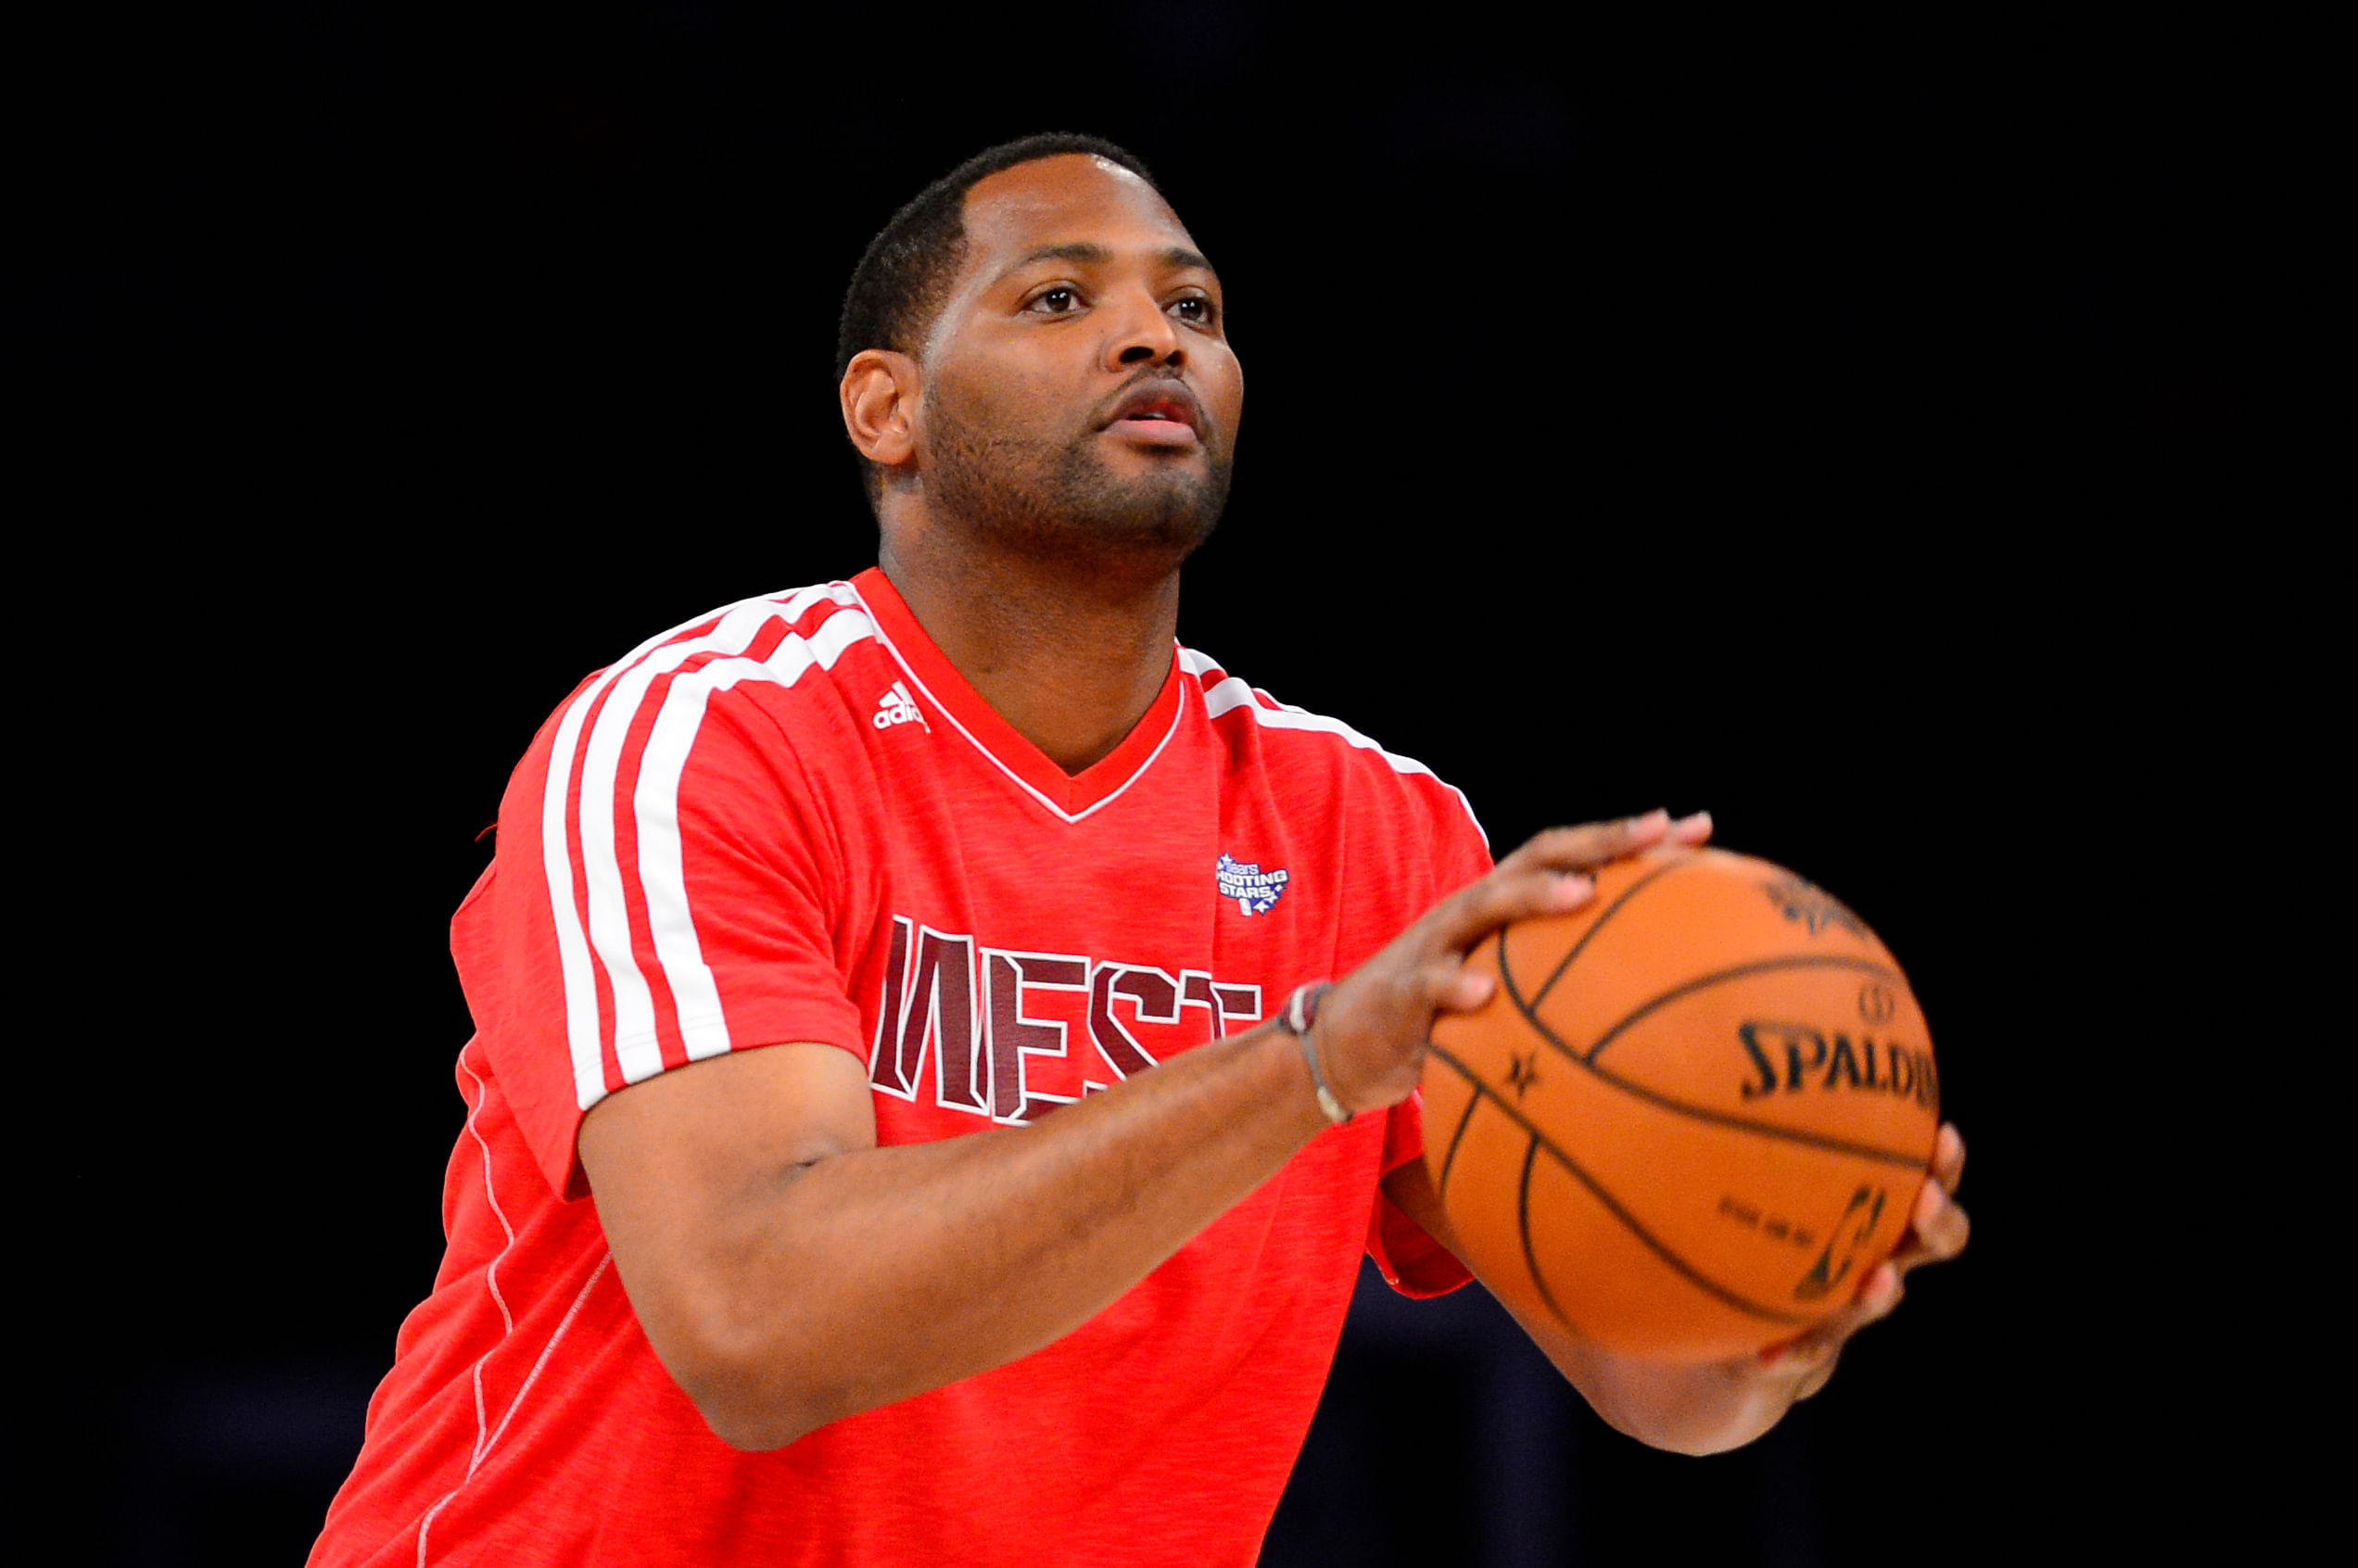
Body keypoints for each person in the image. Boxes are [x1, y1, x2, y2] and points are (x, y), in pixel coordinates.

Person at [308, 133, 1968, 1568]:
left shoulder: (1371, 831)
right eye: (1059, 298)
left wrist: (1794, 1272)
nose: (1150, 336)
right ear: (885, 410)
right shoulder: (703, 734)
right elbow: (755, 1318)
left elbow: (1662, 1392)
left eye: (1194, 309)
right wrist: (1312, 1061)